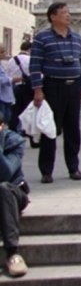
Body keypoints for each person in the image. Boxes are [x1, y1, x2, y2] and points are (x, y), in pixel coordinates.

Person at [29, 2, 81, 183]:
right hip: (52, 86)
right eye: (64, 13)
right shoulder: (42, 38)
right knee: (50, 129)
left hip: (74, 86)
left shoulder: (77, 38)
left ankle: (74, 167)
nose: (68, 16)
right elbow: (35, 65)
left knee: (73, 129)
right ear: (52, 16)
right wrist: (38, 89)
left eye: (68, 12)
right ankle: (46, 171)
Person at [0, 115, 30, 277]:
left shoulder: (15, 141)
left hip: (13, 192)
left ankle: (13, 252)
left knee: (3, 188)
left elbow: (6, 173)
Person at [7, 41, 32, 134]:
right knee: (28, 110)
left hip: (14, 87)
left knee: (15, 111)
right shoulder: (30, 59)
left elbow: (8, 74)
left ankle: (12, 131)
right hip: (27, 88)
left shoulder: (11, 60)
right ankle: (27, 131)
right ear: (30, 49)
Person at [0, 45, 14, 129]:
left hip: (6, 97)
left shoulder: (2, 64)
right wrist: (11, 80)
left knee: (7, 118)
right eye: (1, 52)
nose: (4, 54)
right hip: (1, 98)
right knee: (3, 119)